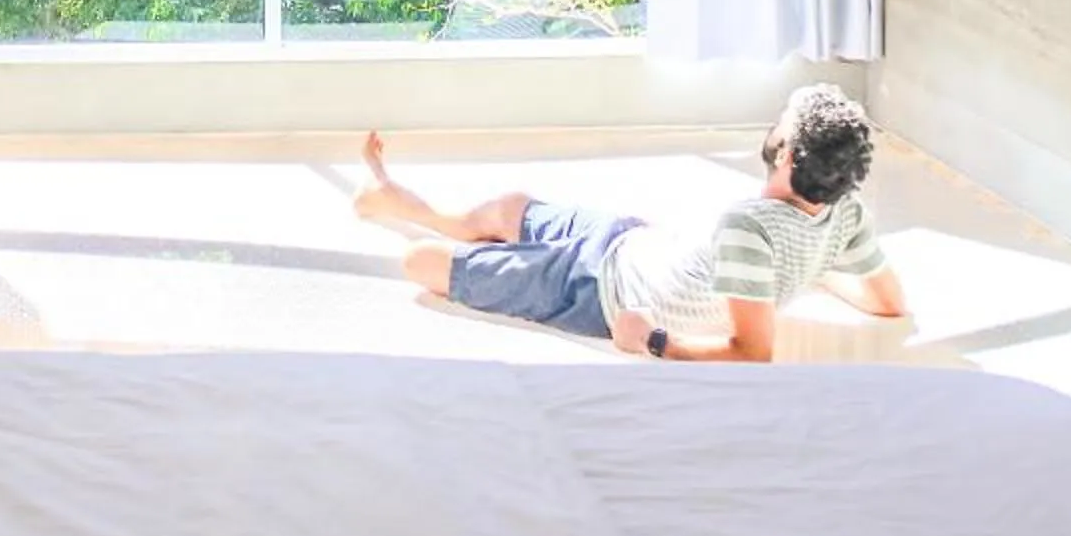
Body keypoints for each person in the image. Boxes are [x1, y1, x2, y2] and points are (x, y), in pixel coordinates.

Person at [354, 83, 908, 362]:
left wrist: (655, 340)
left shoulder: (750, 230)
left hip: (598, 292)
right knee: (509, 207)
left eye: (781, 124)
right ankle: (406, 204)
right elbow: (888, 303)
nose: (774, 125)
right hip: (627, 242)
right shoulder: (846, 213)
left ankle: (408, 213)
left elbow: (752, 351)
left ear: (785, 155)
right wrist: (813, 270)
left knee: (420, 263)